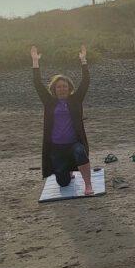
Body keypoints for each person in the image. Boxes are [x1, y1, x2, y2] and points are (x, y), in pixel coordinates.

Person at [31, 45, 94, 195]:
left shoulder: (76, 100)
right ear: (54, 88)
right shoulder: (49, 102)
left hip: (74, 143)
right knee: (63, 183)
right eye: (59, 86)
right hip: (56, 147)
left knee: (80, 152)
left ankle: (88, 185)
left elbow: (85, 82)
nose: (62, 88)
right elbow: (38, 85)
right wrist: (35, 63)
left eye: (64, 86)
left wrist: (83, 61)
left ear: (69, 87)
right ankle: (68, 172)